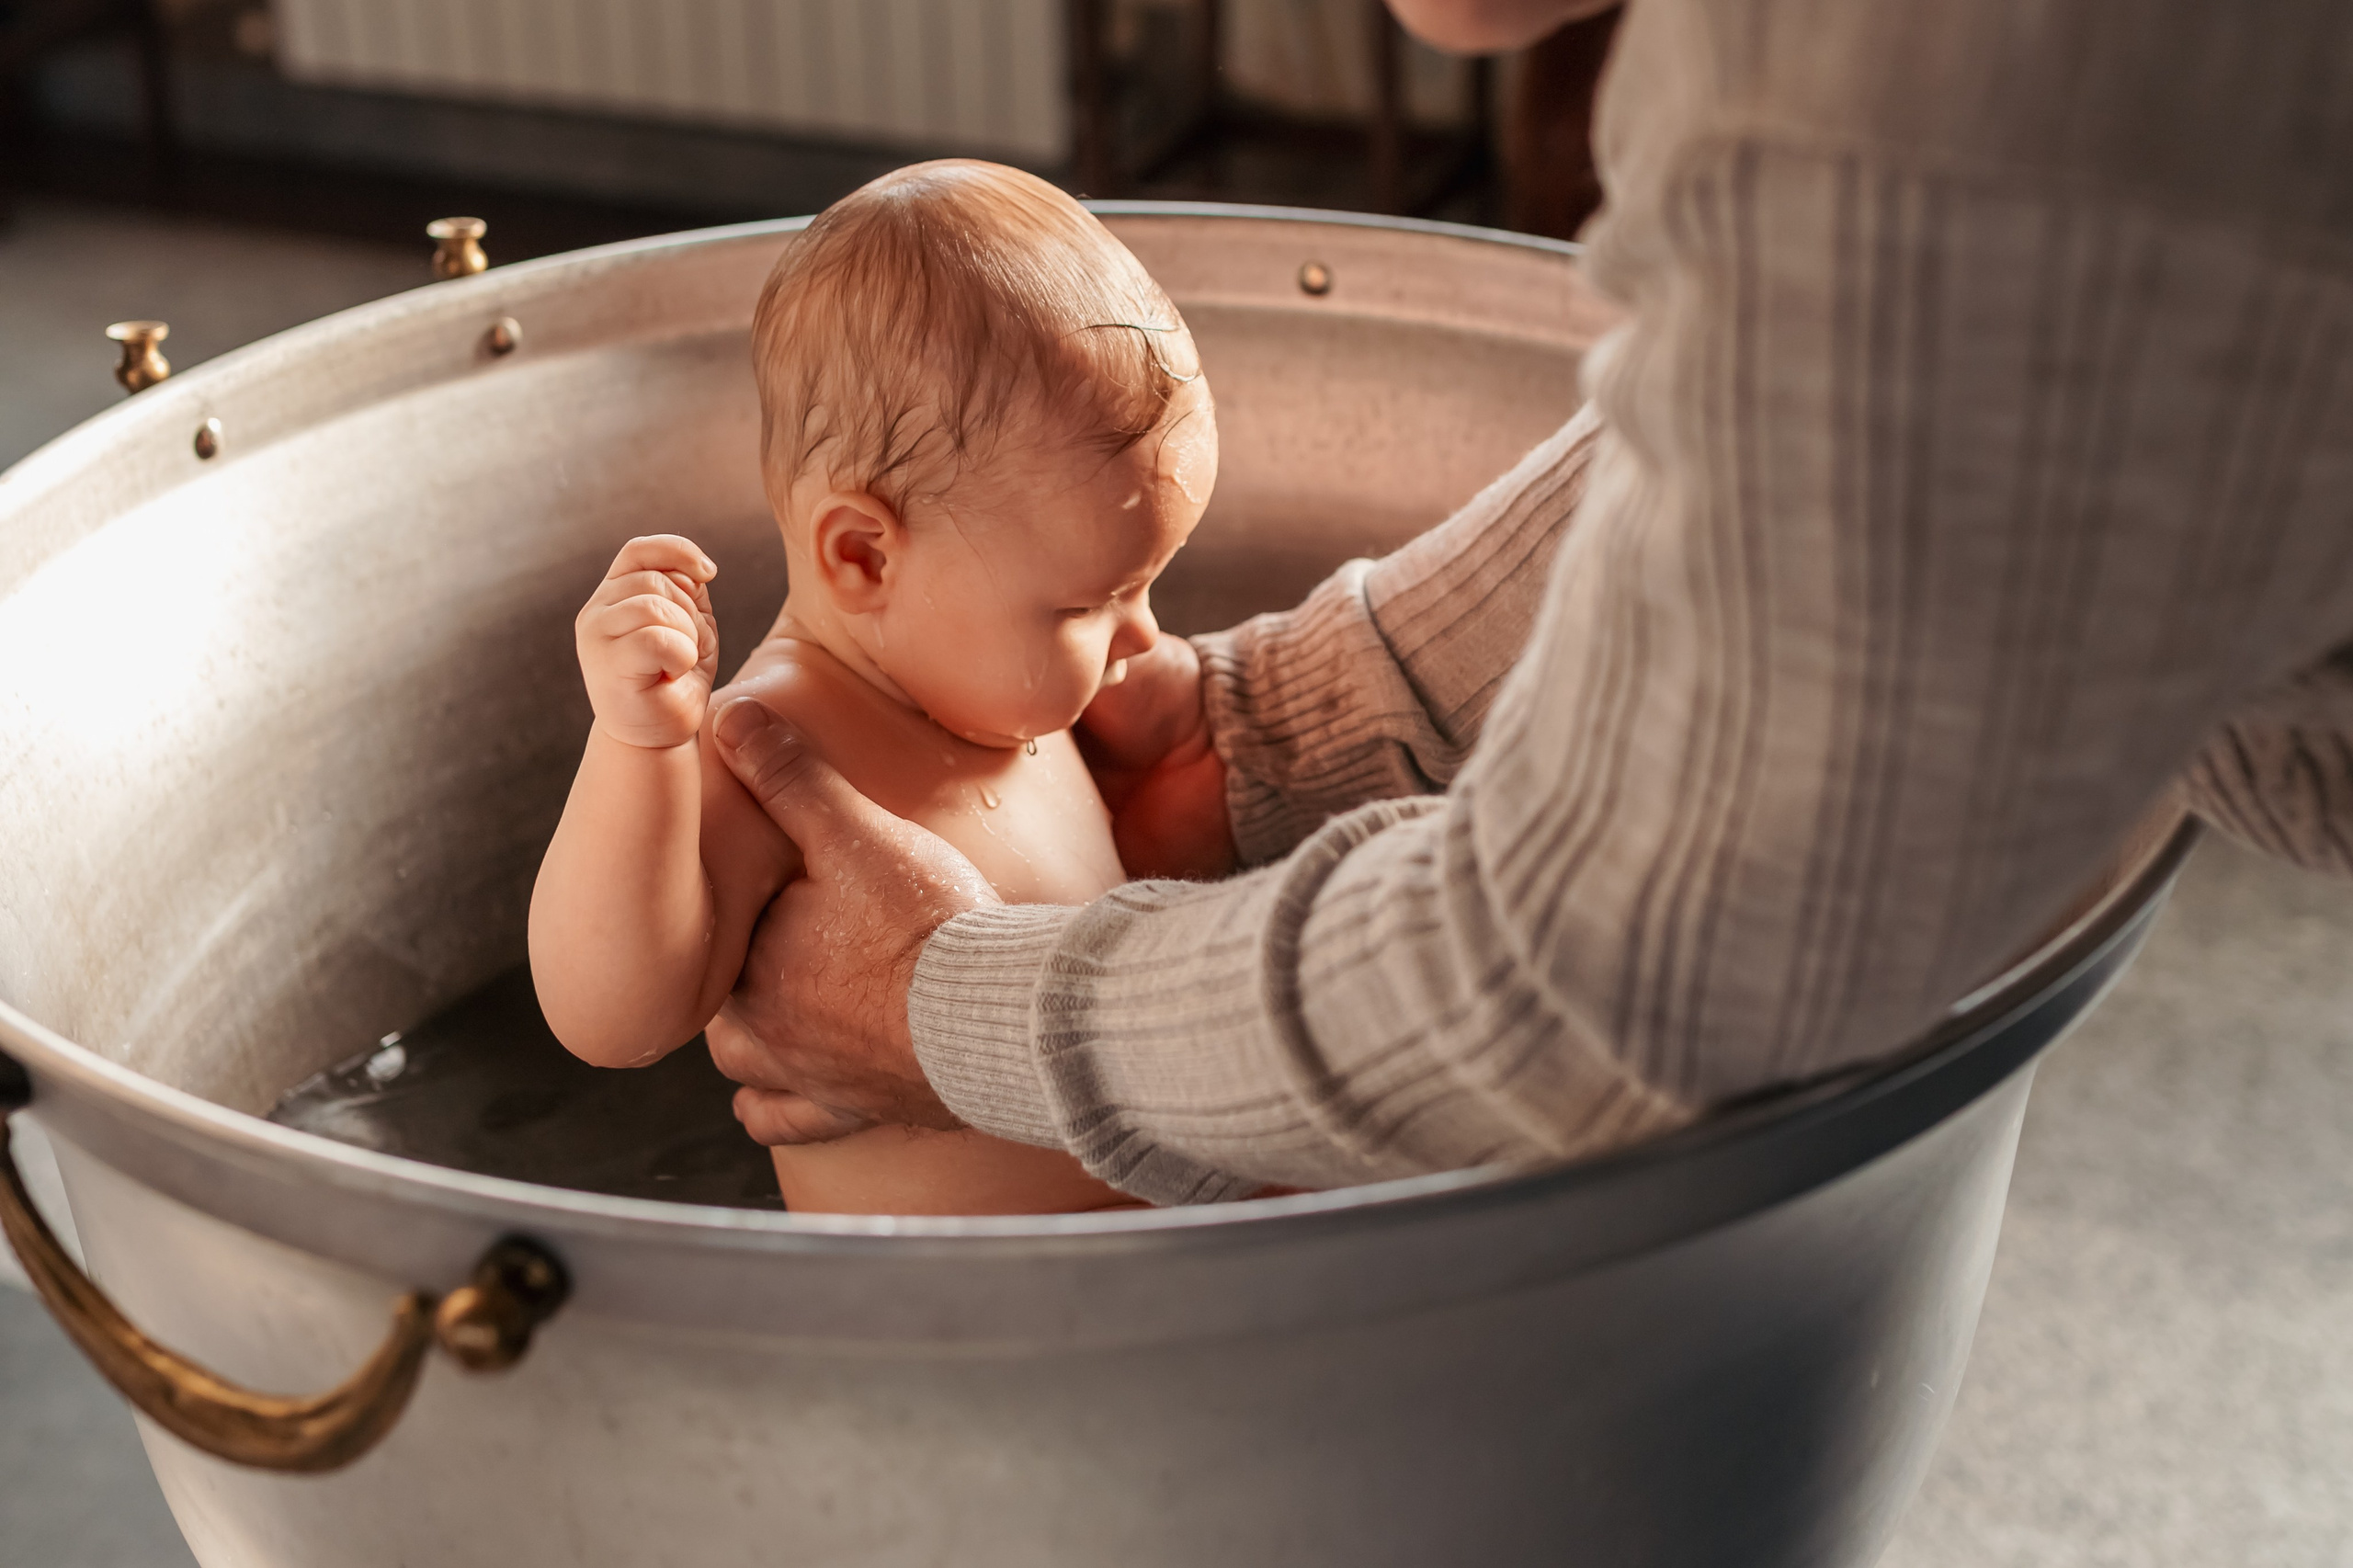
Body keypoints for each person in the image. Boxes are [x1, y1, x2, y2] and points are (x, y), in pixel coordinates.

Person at [700, 0, 2353, 1206]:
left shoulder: (1941, 77)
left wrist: (950, 1006)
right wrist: (1265, 730)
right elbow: (1834, 430)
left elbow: (1608, 974)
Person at [528, 161, 1212, 1214]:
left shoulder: (1003, 692)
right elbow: (613, 1017)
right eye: (1088, 602)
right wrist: (638, 750)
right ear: (862, 558)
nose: (1143, 632)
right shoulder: (771, 743)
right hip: (934, 1332)